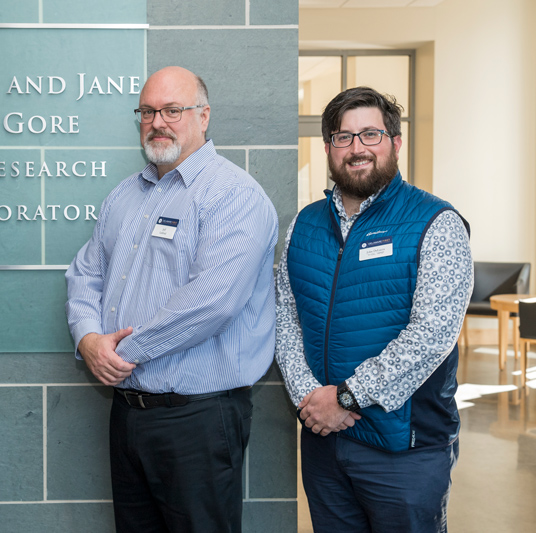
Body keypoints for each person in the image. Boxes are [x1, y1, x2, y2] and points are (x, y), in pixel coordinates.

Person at [65, 66, 278, 533]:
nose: (157, 121)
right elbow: (84, 274)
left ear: (203, 116)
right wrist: (88, 341)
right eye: (147, 111)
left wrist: (119, 353)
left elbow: (212, 303)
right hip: (128, 415)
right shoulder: (125, 195)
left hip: (198, 421)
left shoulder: (234, 196)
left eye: (172, 110)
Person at [275, 86, 473, 532]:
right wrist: (312, 399)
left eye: (370, 134)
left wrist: (346, 396)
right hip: (325, 443)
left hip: (404, 450)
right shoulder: (304, 226)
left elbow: (432, 335)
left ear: (395, 143)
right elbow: (286, 317)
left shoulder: (435, 223)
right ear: (328, 147)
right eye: (343, 137)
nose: (356, 148)